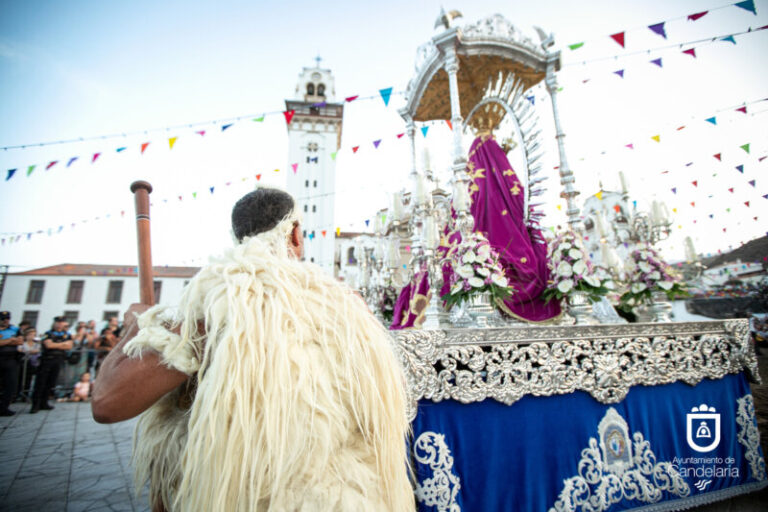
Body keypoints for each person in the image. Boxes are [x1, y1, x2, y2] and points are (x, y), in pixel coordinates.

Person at [92, 187, 413, 511]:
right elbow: (388, 412)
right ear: (296, 235)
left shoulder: (217, 308)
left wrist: (135, 328)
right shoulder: (349, 308)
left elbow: (106, 402)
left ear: (237, 239)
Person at [30, 316, 73, 413]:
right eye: (58, 322)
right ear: (55, 323)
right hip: (47, 360)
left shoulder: (67, 334)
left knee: (50, 382)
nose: (60, 324)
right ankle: (35, 404)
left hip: (58, 360)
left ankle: (44, 402)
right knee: (41, 382)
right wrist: (62, 344)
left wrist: (56, 345)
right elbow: (48, 345)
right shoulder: (48, 333)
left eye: (62, 322)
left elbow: (69, 346)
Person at [0, 311, 23, 416]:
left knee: (10, 384)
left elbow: (20, 341)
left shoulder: (15, 329)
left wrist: (4, 341)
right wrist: (11, 340)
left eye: (7, 319)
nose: (6, 321)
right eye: (3, 319)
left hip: (11, 359)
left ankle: (4, 407)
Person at [17, 326, 41, 401]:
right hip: (22, 363)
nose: (32, 336)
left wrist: (26, 351)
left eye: (33, 335)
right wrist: (30, 352)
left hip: (32, 364)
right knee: (19, 378)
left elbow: (37, 351)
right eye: (30, 334)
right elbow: (19, 350)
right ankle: (17, 394)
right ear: (26, 335)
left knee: (28, 379)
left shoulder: (36, 344)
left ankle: (26, 394)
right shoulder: (22, 343)